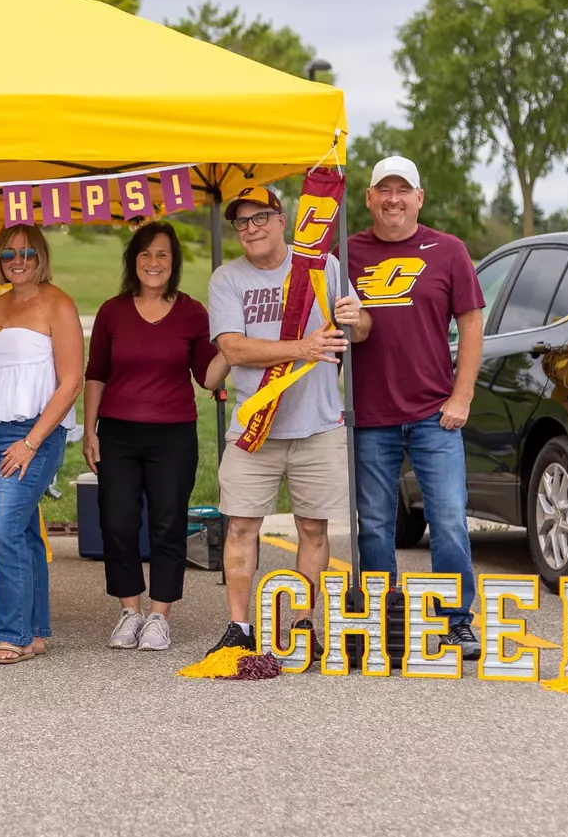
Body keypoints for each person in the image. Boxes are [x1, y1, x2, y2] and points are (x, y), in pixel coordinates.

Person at [205, 186, 368, 655]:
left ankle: (301, 625)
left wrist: (358, 317)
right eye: (241, 223)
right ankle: (240, 628)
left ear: (282, 220)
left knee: (314, 529)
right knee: (240, 527)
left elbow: (361, 329)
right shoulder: (226, 278)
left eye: (260, 219)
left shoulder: (322, 265)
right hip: (254, 426)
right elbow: (233, 348)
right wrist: (302, 349)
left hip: (317, 425)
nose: (251, 229)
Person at [348, 156, 484, 659]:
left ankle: (456, 621)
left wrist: (462, 395)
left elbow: (471, 325)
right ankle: (384, 619)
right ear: (369, 198)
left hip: (435, 413)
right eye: (383, 189)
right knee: (376, 525)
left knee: (448, 518)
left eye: (403, 190)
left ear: (419, 198)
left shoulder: (448, 251)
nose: (393, 199)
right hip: (370, 415)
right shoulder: (347, 254)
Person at [84, 221, 228, 653]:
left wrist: (236, 349)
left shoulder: (192, 313)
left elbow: (207, 377)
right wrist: (90, 430)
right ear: (133, 261)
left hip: (173, 436)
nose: (153, 262)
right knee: (118, 523)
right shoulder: (112, 311)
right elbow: (96, 374)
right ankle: (130, 611)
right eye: (145, 254)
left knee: (168, 524)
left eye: (162, 254)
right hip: (118, 434)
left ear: (174, 262)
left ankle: (160, 616)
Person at [0, 225, 82, 665]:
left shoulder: (58, 304)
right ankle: (36, 632)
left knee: (3, 530)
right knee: (22, 533)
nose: (18, 261)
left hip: (33, 434)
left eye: (26, 252)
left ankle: (12, 636)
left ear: (40, 256)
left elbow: (71, 382)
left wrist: (30, 442)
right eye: (8, 255)